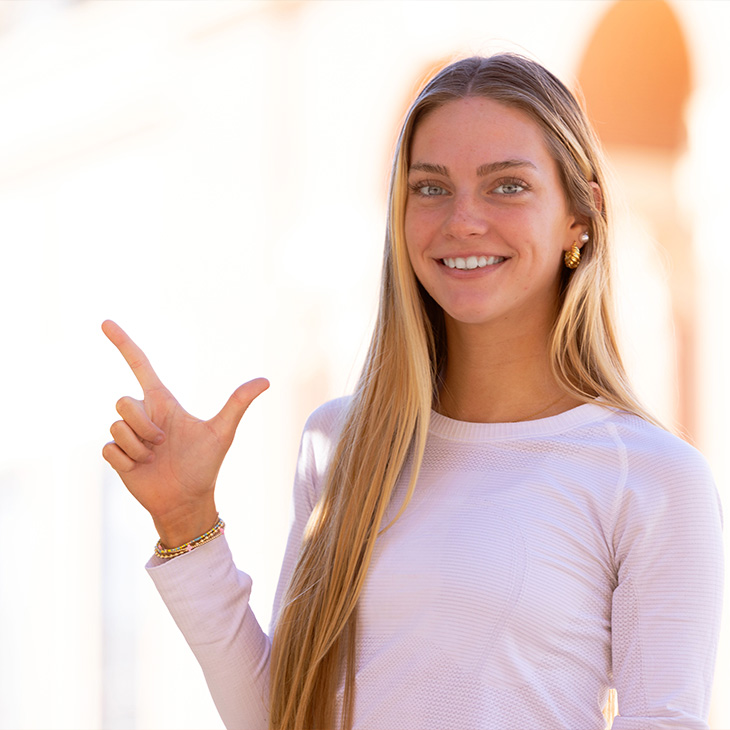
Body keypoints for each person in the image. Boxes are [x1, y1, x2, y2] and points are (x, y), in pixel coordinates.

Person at [102, 54, 724, 730]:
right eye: (430, 188)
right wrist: (187, 524)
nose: (463, 220)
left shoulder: (653, 477)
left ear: (581, 215)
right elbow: (280, 718)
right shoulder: (341, 444)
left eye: (507, 186)